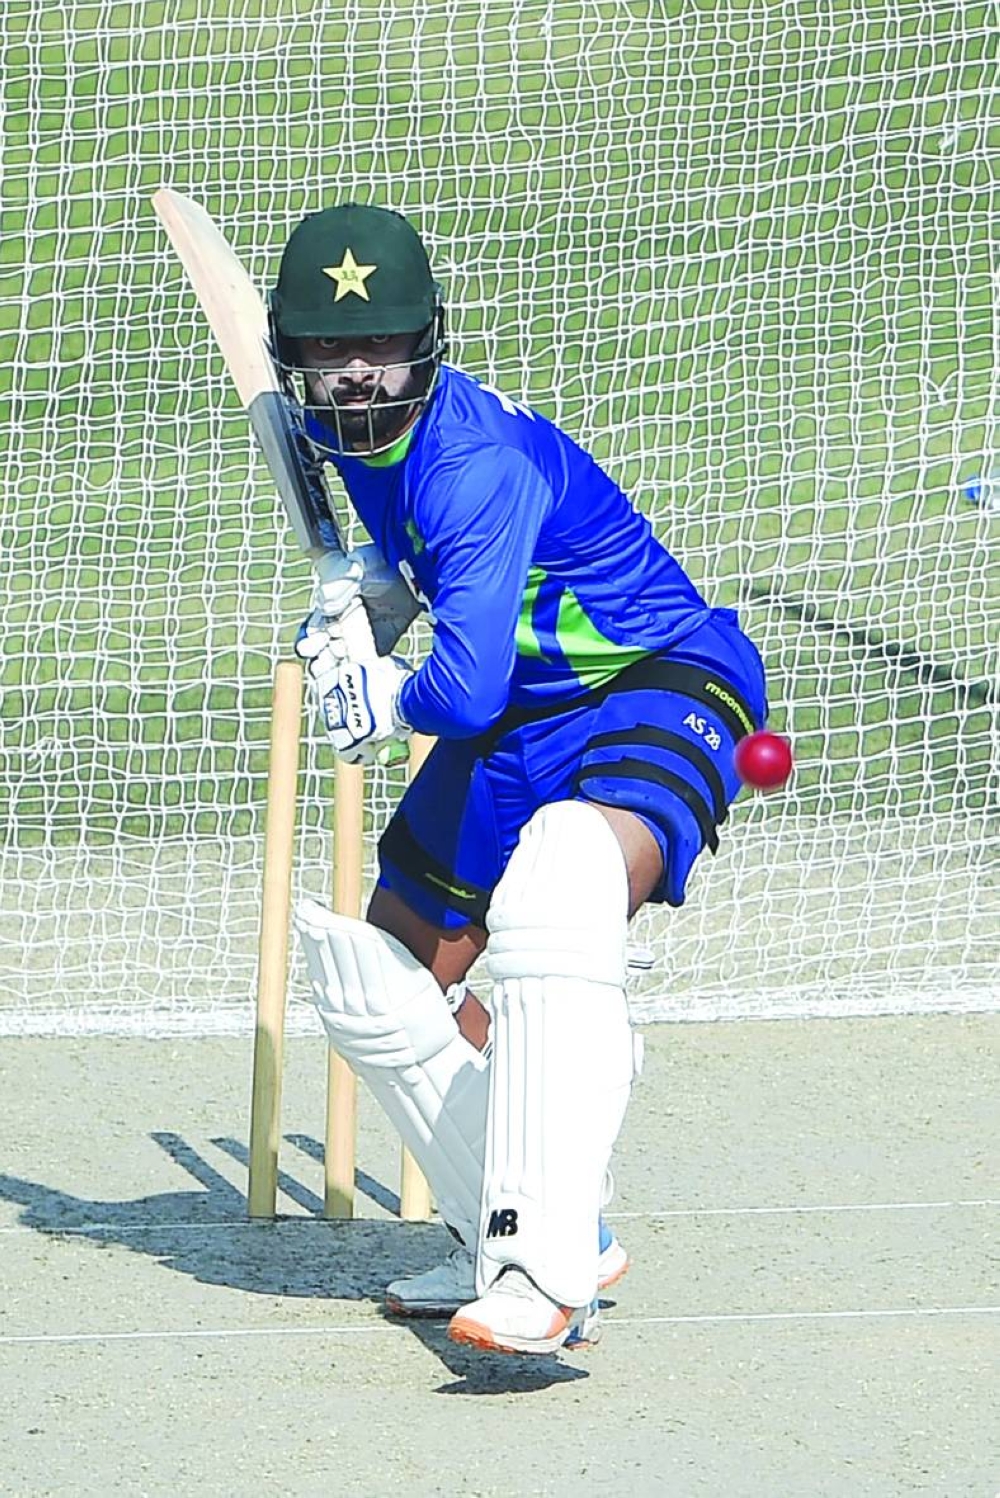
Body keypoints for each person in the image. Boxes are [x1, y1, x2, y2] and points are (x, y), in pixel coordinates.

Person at [272, 203, 768, 1356]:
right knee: (379, 974)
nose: (357, 380)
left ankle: (543, 1264)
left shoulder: (468, 462)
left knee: (556, 893)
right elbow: (458, 585)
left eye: (381, 349)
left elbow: (466, 690)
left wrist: (385, 693)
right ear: (292, 357)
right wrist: (375, 607)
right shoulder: (367, 447)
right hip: (538, 707)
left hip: (659, 677)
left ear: (430, 338)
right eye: (331, 357)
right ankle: (515, 1226)